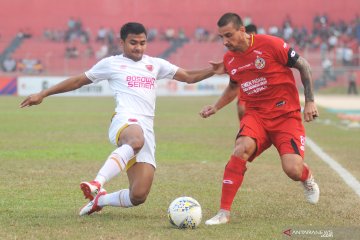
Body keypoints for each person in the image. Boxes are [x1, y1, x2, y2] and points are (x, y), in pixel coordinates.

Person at [20, 22, 223, 216]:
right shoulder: (111, 63)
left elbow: (188, 76)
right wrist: (43, 94)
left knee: (138, 195)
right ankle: (97, 183)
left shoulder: (155, 64)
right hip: (125, 119)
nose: (138, 48)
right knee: (135, 139)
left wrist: (214, 70)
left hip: (146, 128)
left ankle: (100, 200)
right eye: (133, 43)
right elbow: (78, 81)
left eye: (142, 43)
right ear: (122, 43)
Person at [199, 13, 320, 225]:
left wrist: (309, 101)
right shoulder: (230, 58)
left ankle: (307, 177)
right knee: (241, 148)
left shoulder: (271, 44)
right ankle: (223, 212)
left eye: (228, 35)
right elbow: (234, 86)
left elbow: (304, 65)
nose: (225, 42)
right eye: (221, 37)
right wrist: (216, 107)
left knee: (292, 169)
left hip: (286, 116)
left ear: (242, 30)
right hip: (256, 116)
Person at [236, 24, 258, 121]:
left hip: (263, 86)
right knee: (241, 109)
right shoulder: (240, 50)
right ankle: (243, 127)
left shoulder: (263, 46)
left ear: (253, 34)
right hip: (246, 85)